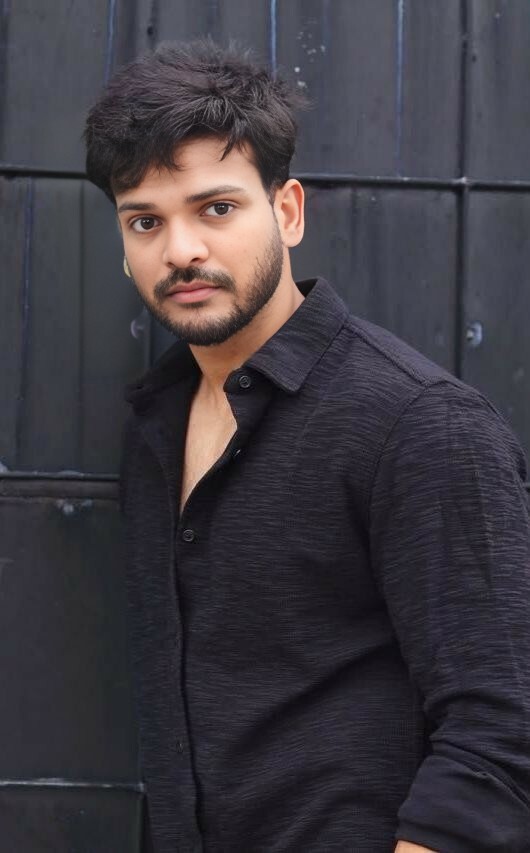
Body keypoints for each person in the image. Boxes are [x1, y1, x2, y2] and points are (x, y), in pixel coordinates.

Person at [84, 40, 530, 853]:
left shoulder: (418, 422)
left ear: (287, 211)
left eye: (216, 209)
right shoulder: (157, 426)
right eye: (146, 221)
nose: (180, 249)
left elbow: (501, 736)